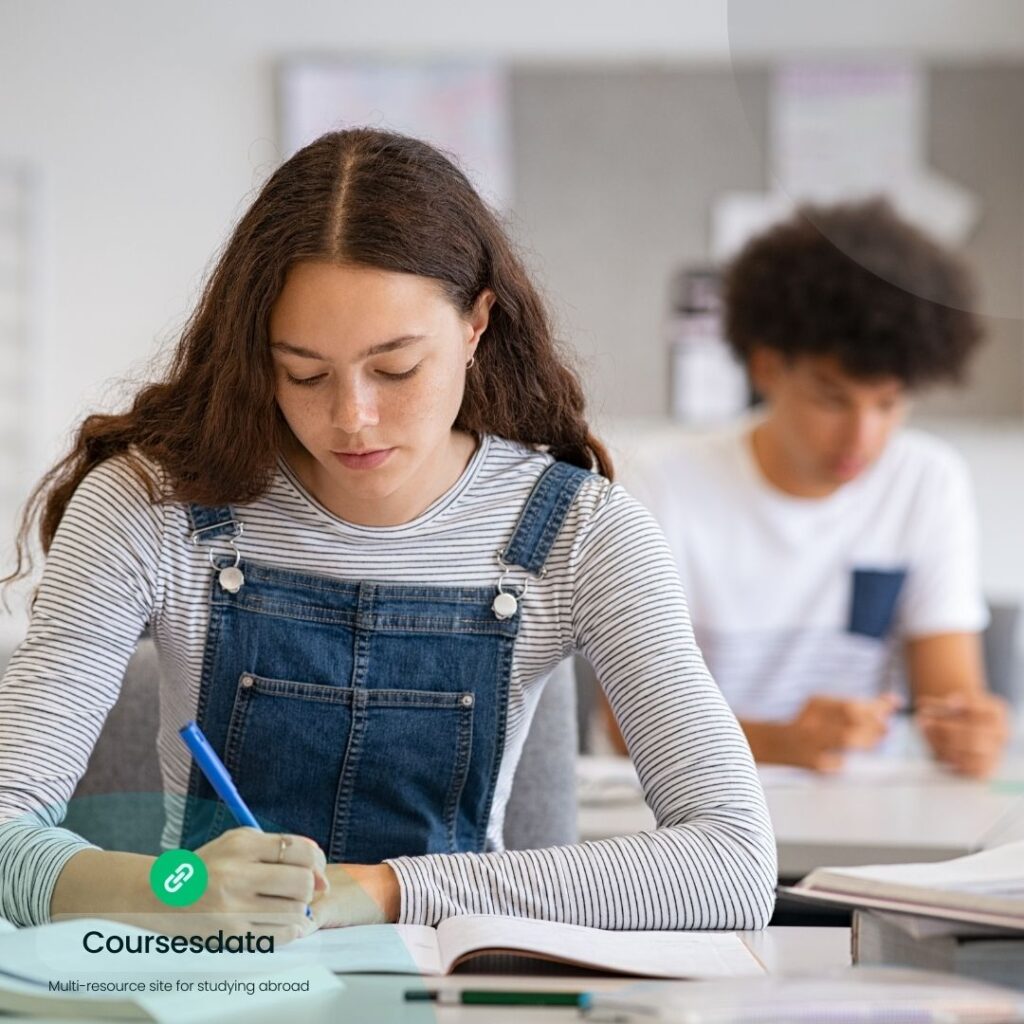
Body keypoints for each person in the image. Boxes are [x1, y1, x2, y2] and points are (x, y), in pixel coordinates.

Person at [0, 129, 775, 939]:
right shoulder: (147, 507)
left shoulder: (581, 534)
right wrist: (172, 888)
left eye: (397, 369)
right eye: (303, 372)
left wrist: (383, 891)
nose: (351, 418)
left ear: (478, 324)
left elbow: (733, 864)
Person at [620, 200, 1009, 778]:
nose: (863, 435)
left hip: (862, 818)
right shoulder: (660, 483)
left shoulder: (926, 482)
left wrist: (969, 733)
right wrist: (781, 741)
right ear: (767, 368)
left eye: (888, 403)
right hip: (694, 817)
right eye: (833, 398)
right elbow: (625, 724)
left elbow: (949, 697)